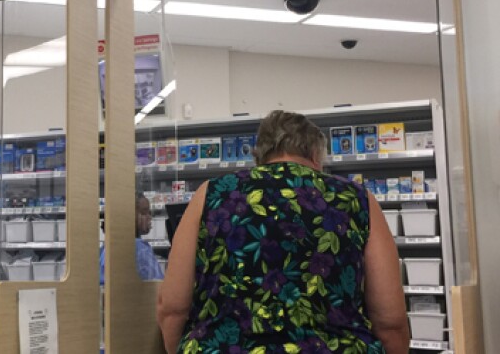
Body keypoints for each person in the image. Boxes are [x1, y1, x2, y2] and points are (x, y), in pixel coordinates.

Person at [157, 110, 409, 353]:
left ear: (260, 155)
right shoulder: (356, 198)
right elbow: (391, 322)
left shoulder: (210, 194)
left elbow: (172, 308)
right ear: (314, 154)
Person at [100, 192, 164, 284]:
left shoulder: (106, 249)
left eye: (149, 213)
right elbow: (158, 287)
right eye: (144, 213)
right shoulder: (140, 249)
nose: (149, 217)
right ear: (128, 217)